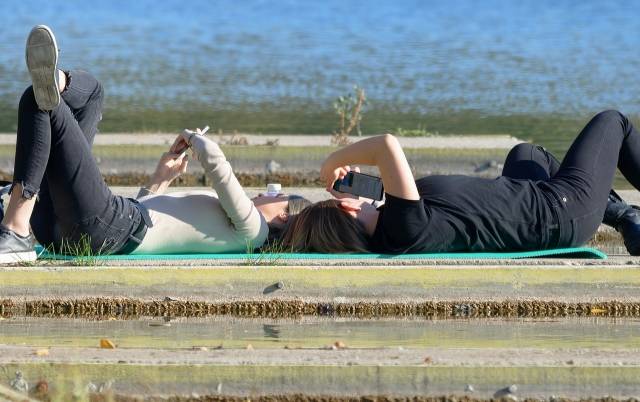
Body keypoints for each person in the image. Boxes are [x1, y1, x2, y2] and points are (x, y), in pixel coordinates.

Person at [0, 25, 310, 263]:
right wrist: (160, 180)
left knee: (41, 103)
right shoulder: (242, 233)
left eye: (276, 195)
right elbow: (152, 224)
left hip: (104, 226)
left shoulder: (256, 231)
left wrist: (195, 138)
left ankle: (16, 229)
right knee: (90, 93)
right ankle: (55, 81)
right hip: (72, 230)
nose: (263, 193)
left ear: (284, 215)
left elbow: (216, 163)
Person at [281, 112, 640, 255]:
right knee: (613, 122)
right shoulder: (403, 225)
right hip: (561, 211)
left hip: (543, 205)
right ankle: (623, 215)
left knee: (526, 154)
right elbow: (387, 145)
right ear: (347, 207)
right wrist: (332, 163)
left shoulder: (398, 224)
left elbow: (398, 189)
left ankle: (624, 216)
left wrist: (362, 189)